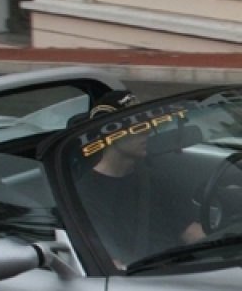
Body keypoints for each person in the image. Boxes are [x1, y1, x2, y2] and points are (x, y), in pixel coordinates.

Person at [75, 94, 204, 268]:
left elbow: (189, 231)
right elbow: (114, 266)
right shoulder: (87, 194)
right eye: (134, 126)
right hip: (147, 282)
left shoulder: (154, 176)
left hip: (187, 268)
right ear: (109, 133)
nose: (146, 130)